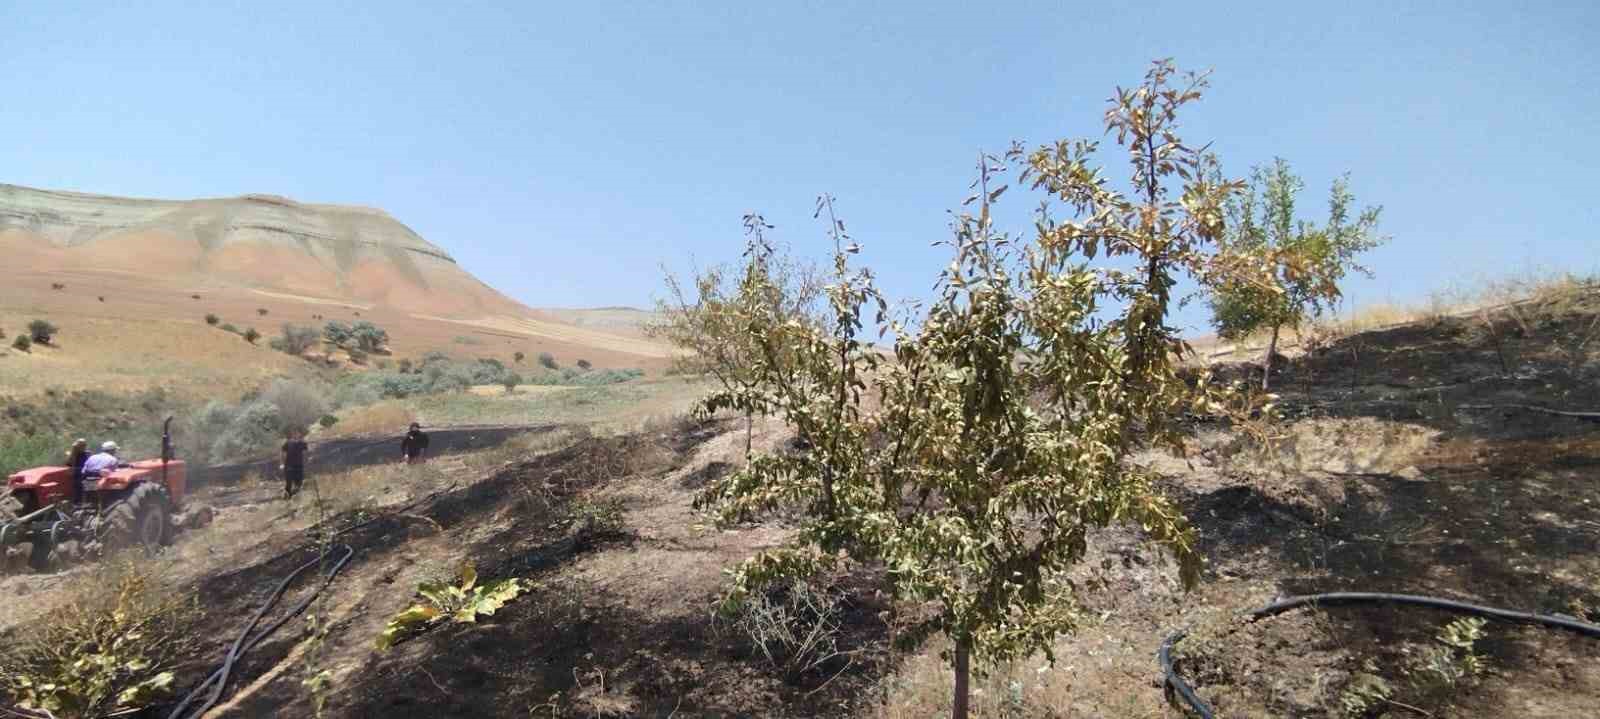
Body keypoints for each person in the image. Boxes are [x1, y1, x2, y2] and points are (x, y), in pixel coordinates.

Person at [281, 428, 308, 499]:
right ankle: (287, 496)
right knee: (289, 481)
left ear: (300, 434)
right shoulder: (287, 443)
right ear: (292, 434)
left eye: (297, 433)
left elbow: (305, 453)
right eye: (294, 433)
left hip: (299, 465)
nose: (296, 434)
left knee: (299, 482)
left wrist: (307, 462)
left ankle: (293, 495)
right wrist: (282, 464)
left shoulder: (303, 443)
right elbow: (283, 454)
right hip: (289, 465)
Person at [64, 438, 90, 505]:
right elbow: (70, 464)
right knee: (78, 490)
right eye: (81, 446)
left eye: (84, 445)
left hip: (84, 475)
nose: (83, 447)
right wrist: (73, 452)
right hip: (77, 476)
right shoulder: (71, 455)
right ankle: (77, 503)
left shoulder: (87, 454)